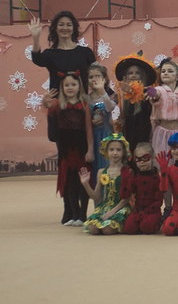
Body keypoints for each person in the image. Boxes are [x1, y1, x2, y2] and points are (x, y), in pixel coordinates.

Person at [29, 12, 96, 142]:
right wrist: (36, 38)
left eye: (68, 25)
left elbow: (97, 74)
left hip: (82, 107)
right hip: (60, 108)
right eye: (61, 24)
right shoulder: (50, 54)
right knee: (62, 147)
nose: (65, 28)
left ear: (74, 28)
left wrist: (108, 94)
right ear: (55, 28)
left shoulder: (85, 53)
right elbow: (37, 59)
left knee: (84, 146)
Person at [42, 71, 94, 226]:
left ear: (79, 86)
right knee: (70, 180)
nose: (70, 87)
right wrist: (45, 101)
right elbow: (48, 107)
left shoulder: (84, 105)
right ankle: (74, 214)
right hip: (66, 149)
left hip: (81, 147)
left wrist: (90, 149)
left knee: (83, 180)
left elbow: (89, 129)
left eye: (73, 84)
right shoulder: (59, 104)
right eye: (66, 85)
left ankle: (83, 215)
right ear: (62, 87)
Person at [79, 133, 131, 235]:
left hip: (121, 207)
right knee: (93, 229)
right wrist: (86, 184)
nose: (115, 153)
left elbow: (127, 198)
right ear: (106, 152)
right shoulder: (101, 172)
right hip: (105, 207)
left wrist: (113, 211)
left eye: (118, 150)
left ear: (124, 152)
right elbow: (96, 196)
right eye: (111, 150)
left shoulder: (127, 171)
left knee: (107, 229)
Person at [113, 51, 158, 150]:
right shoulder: (123, 94)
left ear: (142, 76)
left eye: (137, 73)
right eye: (130, 73)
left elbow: (149, 106)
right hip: (128, 133)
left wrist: (133, 92)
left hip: (144, 133)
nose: (133, 75)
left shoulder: (147, 92)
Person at [120, 142, 164, 235]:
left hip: (152, 211)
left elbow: (159, 202)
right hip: (138, 210)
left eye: (145, 158)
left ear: (152, 157)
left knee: (146, 227)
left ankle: (159, 221)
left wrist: (146, 212)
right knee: (129, 229)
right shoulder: (135, 178)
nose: (141, 162)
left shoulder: (157, 178)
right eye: (138, 159)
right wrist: (124, 181)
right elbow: (125, 196)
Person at [86, 62, 117, 185]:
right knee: (95, 169)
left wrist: (102, 91)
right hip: (92, 137)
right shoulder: (86, 98)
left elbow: (110, 108)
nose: (94, 79)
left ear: (104, 79)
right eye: (91, 77)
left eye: (98, 77)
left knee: (107, 166)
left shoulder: (109, 97)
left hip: (106, 135)